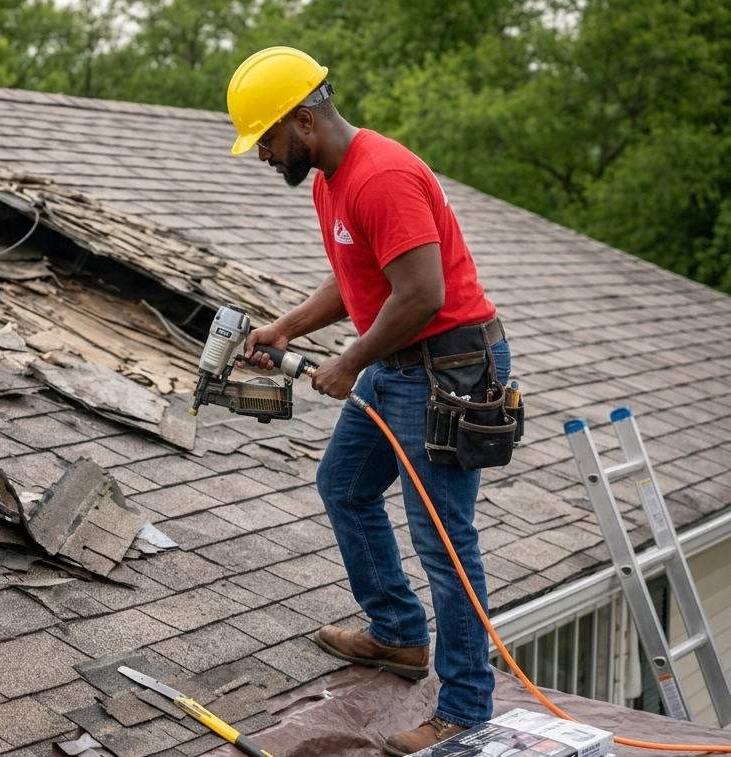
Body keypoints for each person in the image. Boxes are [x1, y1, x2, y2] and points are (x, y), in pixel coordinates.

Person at [227, 48, 511, 755]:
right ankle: (397, 633)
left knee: (443, 541)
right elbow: (359, 278)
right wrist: (286, 327)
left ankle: (466, 707)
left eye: (265, 138)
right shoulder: (331, 177)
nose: (263, 155)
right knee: (344, 485)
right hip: (396, 358)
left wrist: (349, 361)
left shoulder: (380, 176)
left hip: (445, 367)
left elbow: (420, 294)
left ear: (303, 119)